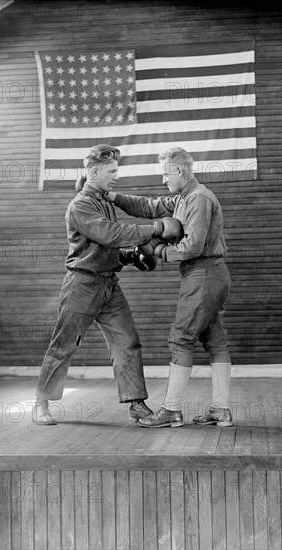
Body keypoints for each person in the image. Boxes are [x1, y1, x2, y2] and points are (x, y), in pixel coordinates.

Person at [33, 144, 181, 425]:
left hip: (109, 285)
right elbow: (111, 234)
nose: (115, 176)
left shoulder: (103, 202)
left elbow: (104, 246)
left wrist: (131, 256)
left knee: (127, 343)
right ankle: (41, 402)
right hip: (82, 285)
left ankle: (137, 404)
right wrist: (157, 228)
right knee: (64, 344)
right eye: (112, 171)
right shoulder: (80, 205)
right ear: (96, 171)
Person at [107, 147, 233, 428]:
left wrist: (158, 250)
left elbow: (193, 246)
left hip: (203, 273)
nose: (164, 179)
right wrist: (111, 196)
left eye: (166, 174)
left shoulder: (198, 198)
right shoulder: (183, 198)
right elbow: (147, 207)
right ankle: (220, 409)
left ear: (178, 171)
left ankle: (171, 410)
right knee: (215, 341)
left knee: (180, 339)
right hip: (209, 275)